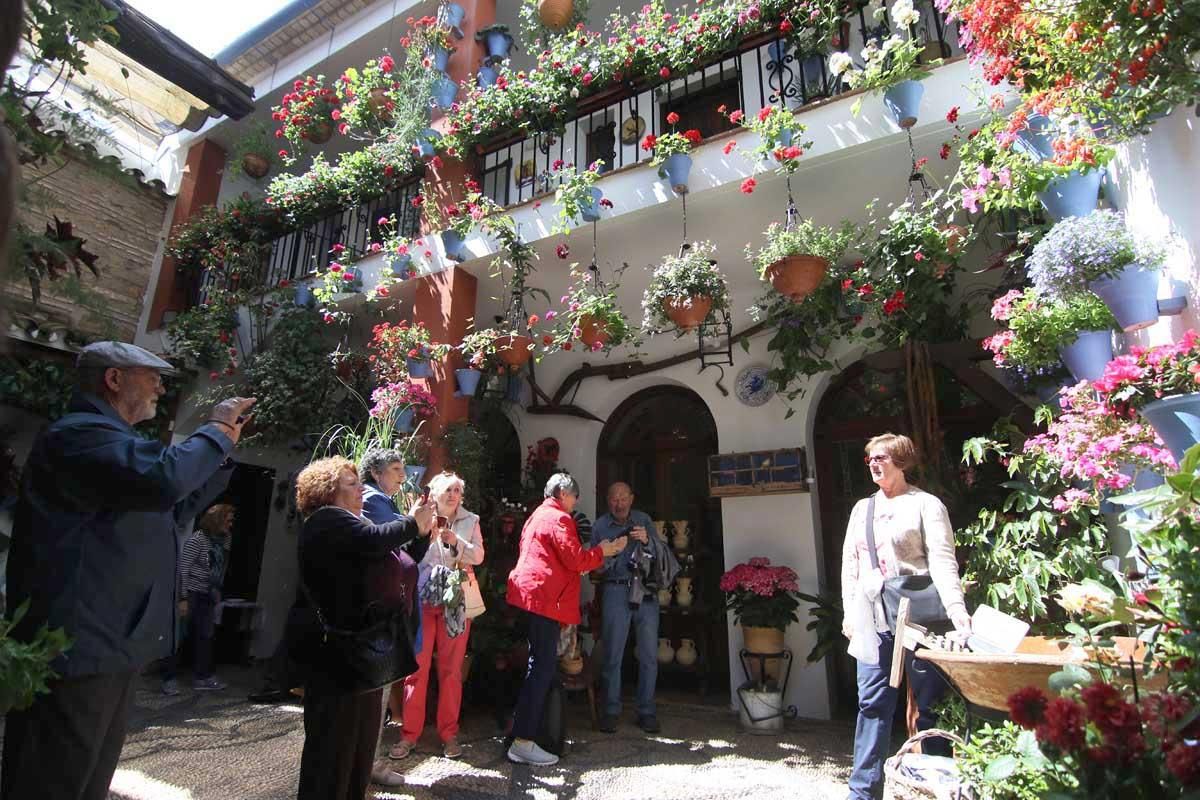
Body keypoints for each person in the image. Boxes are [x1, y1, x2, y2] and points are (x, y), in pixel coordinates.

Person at [2, 341, 253, 800]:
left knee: (87, 778)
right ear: (114, 380)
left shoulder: (115, 443)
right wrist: (214, 430)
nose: (160, 385)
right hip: (78, 646)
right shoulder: (79, 434)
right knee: (53, 780)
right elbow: (165, 480)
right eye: (150, 375)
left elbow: (177, 504)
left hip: (110, 645)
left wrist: (224, 448)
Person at [293, 456, 434, 800]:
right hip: (338, 656)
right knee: (332, 751)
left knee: (358, 747)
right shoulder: (326, 521)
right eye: (351, 484)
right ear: (327, 491)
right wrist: (412, 524)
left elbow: (403, 559)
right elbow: (375, 541)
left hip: (364, 655)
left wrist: (421, 533)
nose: (360, 489)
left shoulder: (353, 525)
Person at [840, 433, 971, 800]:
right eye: (870, 460)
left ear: (902, 460)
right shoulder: (862, 510)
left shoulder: (926, 505)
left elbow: (944, 561)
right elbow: (850, 564)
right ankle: (863, 790)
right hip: (876, 618)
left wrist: (957, 610)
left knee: (929, 705)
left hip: (921, 618)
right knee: (871, 702)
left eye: (881, 457)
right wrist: (851, 612)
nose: (874, 465)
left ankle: (936, 786)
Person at [505, 473, 627, 766]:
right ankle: (523, 740)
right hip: (545, 599)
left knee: (539, 666)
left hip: (532, 596)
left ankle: (523, 735)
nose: (575, 503)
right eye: (574, 497)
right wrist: (605, 550)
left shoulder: (537, 516)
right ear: (562, 494)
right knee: (542, 668)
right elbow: (576, 560)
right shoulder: (559, 519)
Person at [392, 470, 484, 761]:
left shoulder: (471, 521)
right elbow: (403, 553)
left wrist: (456, 540)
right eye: (448, 490)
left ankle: (449, 734)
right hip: (420, 600)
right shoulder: (418, 515)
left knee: (452, 671)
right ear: (433, 493)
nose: (453, 495)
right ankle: (409, 735)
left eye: (457, 490)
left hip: (454, 602)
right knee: (415, 671)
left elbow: (478, 556)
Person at [357, 447, 427, 789]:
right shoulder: (373, 500)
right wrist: (414, 521)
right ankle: (367, 763)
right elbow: (395, 540)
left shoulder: (386, 502)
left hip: (385, 609)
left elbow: (408, 550)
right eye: (396, 469)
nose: (402, 475)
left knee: (378, 692)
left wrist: (419, 527)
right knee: (374, 694)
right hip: (378, 612)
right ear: (376, 473)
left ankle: (366, 760)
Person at [591, 481, 664, 734]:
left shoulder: (643, 519)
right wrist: (610, 552)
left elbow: (661, 556)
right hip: (616, 589)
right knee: (613, 654)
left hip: (645, 592)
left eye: (623, 498)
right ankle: (610, 711)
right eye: (614, 499)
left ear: (631, 499)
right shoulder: (600, 525)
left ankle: (647, 711)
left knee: (648, 655)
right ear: (608, 501)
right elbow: (594, 567)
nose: (619, 503)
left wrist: (647, 540)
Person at [162, 503, 236, 694]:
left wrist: (217, 588)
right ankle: (169, 679)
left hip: (208, 593)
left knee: (206, 636)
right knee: (180, 635)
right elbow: (183, 569)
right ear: (217, 520)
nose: (230, 524)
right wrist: (183, 597)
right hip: (192, 592)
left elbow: (222, 566)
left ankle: (202, 676)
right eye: (227, 520)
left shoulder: (225, 540)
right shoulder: (198, 540)